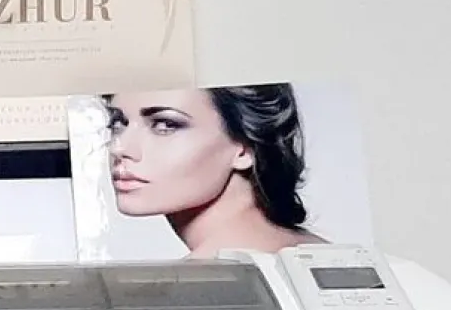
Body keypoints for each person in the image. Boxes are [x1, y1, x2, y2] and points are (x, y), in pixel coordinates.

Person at [102, 84, 326, 256]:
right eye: (118, 123)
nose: (119, 148)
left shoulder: (192, 289)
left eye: (165, 125)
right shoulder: (323, 255)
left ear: (245, 147)